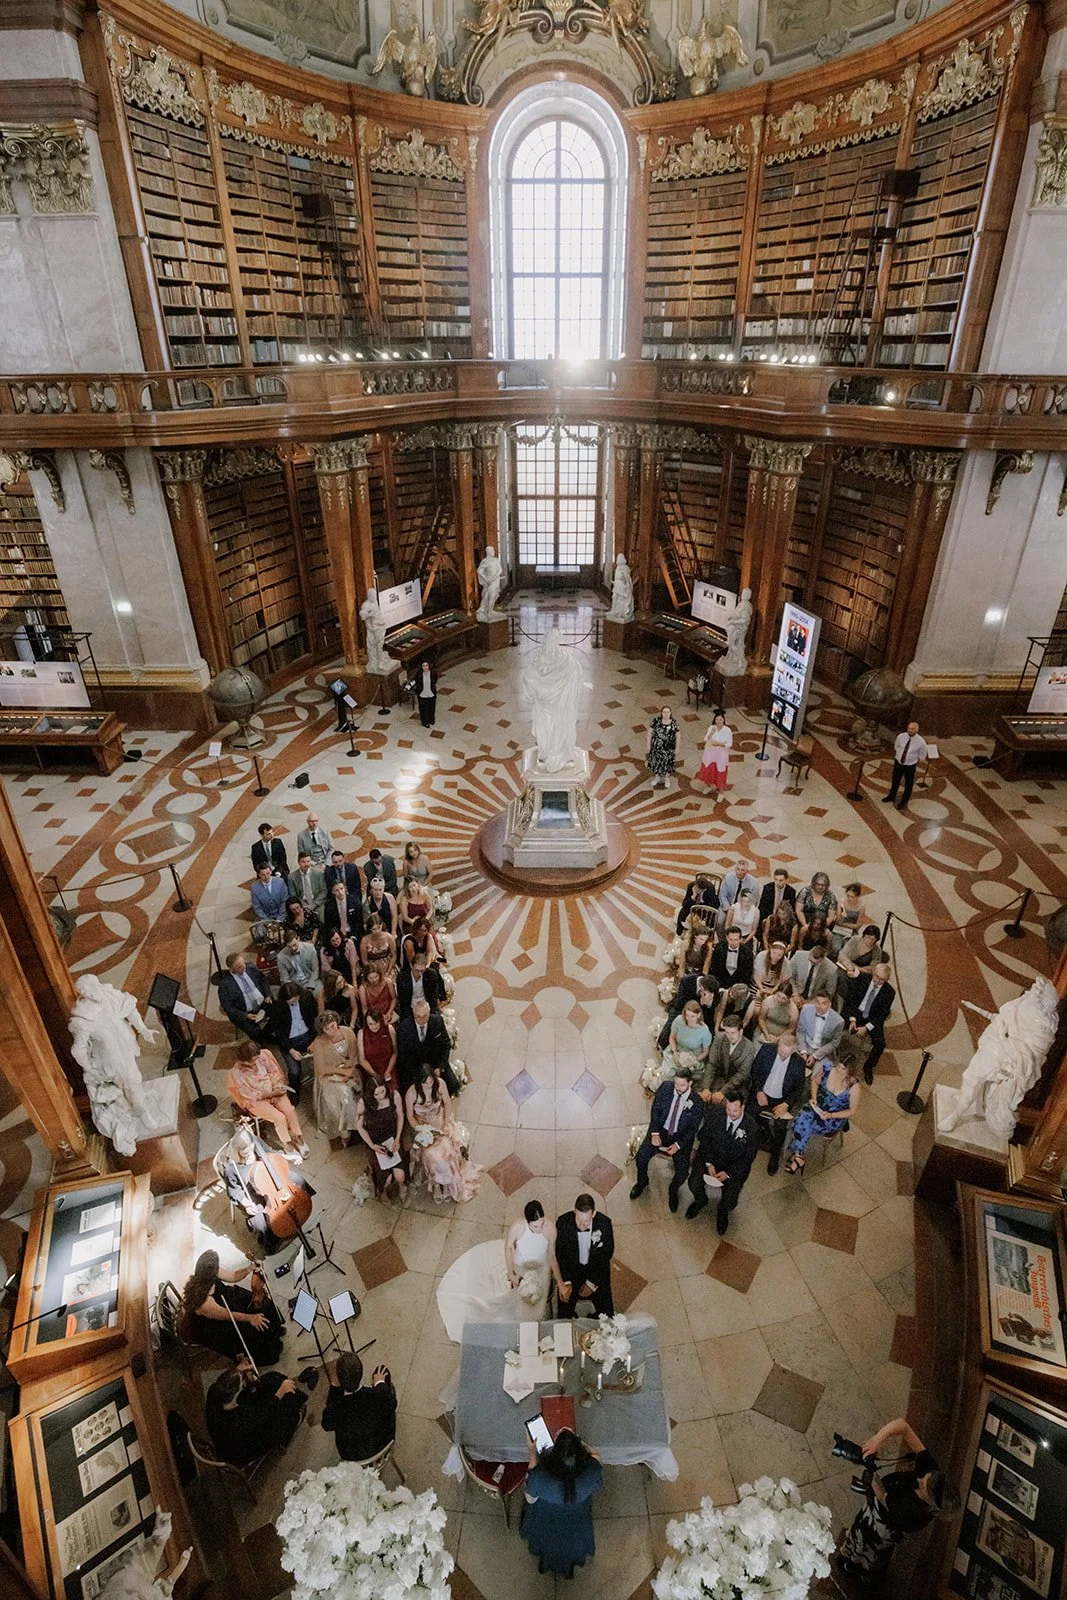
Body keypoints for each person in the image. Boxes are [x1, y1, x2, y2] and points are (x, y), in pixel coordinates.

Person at [837, 1417, 953, 1584]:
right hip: (885, 1507)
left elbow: (883, 1497)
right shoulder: (931, 1472)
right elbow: (903, 1426)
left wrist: (871, 1476)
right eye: (929, 1475)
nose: (922, 1477)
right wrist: (877, 1440)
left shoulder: (909, 1511)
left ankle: (857, 1566)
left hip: (882, 1522)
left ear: (929, 1499)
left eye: (924, 1483)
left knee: (864, 1542)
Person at [219, 1124, 314, 1255]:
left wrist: (289, 1157)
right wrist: (246, 1204)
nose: (250, 1155)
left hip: (271, 1175)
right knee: (260, 1223)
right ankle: (272, 1242)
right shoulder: (231, 1168)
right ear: (237, 1151)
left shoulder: (255, 1141)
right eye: (245, 1153)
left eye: (252, 1149)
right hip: (254, 1192)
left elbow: (271, 1153)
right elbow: (234, 1191)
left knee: (299, 1181)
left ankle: (297, 1214)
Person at [521, 1429, 603, 1579]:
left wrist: (532, 1454)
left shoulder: (540, 1478)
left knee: (546, 1538)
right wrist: (576, 1441)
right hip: (577, 1517)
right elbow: (597, 1456)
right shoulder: (591, 1474)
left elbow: (530, 1498)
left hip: (547, 1518)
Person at [179, 1249, 283, 1365]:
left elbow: (233, 1276)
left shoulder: (211, 1271)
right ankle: (268, 1351)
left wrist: (250, 1268)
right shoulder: (204, 1302)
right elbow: (228, 1316)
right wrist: (251, 1318)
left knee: (264, 1304)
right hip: (215, 1324)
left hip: (225, 1300)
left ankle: (275, 1330)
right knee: (248, 1329)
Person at [207, 1358, 318, 1466]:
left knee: (269, 1378)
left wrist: (237, 1372)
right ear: (236, 1392)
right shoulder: (239, 1419)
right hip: (244, 1449)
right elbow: (266, 1412)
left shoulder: (215, 1391)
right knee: (285, 1407)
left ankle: (292, 1389)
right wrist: (281, 1391)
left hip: (235, 1434)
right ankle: (293, 1421)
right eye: (242, 1382)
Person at [630, 1067, 703, 1212]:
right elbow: (655, 1111)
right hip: (661, 1132)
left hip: (680, 1137)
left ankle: (673, 1190)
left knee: (682, 1173)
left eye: (682, 1085)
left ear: (690, 1083)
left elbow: (692, 1130)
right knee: (641, 1157)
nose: (677, 1088)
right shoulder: (665, 1088)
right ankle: (642, 1182)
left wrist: (678, 1145)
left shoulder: (697, 1103)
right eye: (676, 1084)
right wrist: (655, 1133)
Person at [685, 1091, 759, 1234]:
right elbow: (703, 1137)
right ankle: (700, 1200)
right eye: (728, 1109)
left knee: (731, 1201)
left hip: (733, 1166)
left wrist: (729, 1173)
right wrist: (709, 1163)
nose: (731, 1114)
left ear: (742, 1108)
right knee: (693, 1182)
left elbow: (749, 1157)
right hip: (711, 1157)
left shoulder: (751, 1127)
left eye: (735, 1111)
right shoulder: (715, 1114)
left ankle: (723, 1211)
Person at [405, 1066, 480, 1202]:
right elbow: (410, 1116)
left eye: (430, 1082)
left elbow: (447, 1103)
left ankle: (447, 1184)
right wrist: (421, 1130)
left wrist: (446, 1123)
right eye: (425, 1083)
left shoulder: (440, 1084)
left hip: (440, 1123)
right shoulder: (411, 1093)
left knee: (445, 1155)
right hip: (423, 1127)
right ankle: (437, 1184)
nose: (428, 1085)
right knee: (431, 1156)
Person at [228, 1041, 309, 1159]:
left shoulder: (264, 1055)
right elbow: (248, 1094)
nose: (255, 1062)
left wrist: (276, 1088)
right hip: (257, 1100)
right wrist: (269, 1094)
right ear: (244, 1059)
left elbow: (275, 1073)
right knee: (280, 1118)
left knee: (289, 1111)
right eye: (252, 1060)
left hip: (273, 1090)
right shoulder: (236, 1072)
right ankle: (286, 1143)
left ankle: (297, 1136)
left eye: (257, 1058)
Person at [786, 1060, 861, 1173]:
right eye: (838, 1066)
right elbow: (815, 1081)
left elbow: (852, 1111)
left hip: (834, 1117)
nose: (839, 1070)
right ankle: (798, 1156)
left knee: (802, 1123)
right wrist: (815, 1098)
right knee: (803, 1117)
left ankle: (798, 1154)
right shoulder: (827, 1068)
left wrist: (831, 1115)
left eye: (843, 1069)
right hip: (818, 1106)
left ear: (850, 1071)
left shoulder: (854, 1087)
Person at [321, 1352, 397, 1462]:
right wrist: (380, 1383)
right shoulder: (376, 1395)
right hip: (381, 1446)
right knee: (389, 1390)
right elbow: (392, 1403)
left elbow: (326, 1424)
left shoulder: (335, 1408)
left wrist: (334, 1388)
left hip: (351, 1457)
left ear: (339, 1378)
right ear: (361, 1374)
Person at [749, 1032, 806, 1175]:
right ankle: (748, 1143)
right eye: (780, 1050)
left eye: (785, 1054)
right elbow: (754, 1071)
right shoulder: (767, 1050)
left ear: (793, 1051)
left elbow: (799, 1088)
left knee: (780, 1127)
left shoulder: (798, 1063)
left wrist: (786, 1103)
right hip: (762, 1093)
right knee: (749, 1115)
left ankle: (775, 1154)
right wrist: (759, 1091)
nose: (781, 1055)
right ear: (778, 1044)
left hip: (781, 1099)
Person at [554, 1194, 614, 1318]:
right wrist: (566, 1282)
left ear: (593, 1214)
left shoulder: (605, 1224)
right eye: (579, 1219)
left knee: (607, 1316)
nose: (582, 1225)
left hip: (595, 1270)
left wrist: (591, 1284)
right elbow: (560, 1255)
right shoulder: (562, 1223)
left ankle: (597, 1315)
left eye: (586, 1221)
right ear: (574, 1211)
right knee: (563, 1317)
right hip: (572, 1271)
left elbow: (606, 1255)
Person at [311, 1011, 362, 1142]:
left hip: (351, 1069)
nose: (331, 1030)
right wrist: (343, 1073)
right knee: (344, 1095)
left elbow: (356, 1054)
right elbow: (320, 1069)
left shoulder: (348, 1032)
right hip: (329, 1076)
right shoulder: (319, 1042)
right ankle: (346, 1131)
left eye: (333, 1026)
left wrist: (351, 1070)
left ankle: (360, 1124)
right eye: (327, 1029)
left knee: (358, 1089)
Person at [354, 1074, 407, 1200]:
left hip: (392, 1136)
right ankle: (382, 1189)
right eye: (376, 1094)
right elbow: (359, 1126)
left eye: (382, 1092)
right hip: (374, 1139)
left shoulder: (394, 1096)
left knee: (399, 1175)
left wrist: (398, 1138)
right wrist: (372, 1146)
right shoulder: (364, 1102)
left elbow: (400, 1116)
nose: (380, 1096)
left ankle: (402, 1186)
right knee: (386, 1178)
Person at [841, 962, 895, 1083]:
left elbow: (882, 1014)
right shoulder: (862, 979)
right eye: (876, 976)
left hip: (871, 1018)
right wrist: (852, 1019)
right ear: (873, 973)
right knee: (837, 1024)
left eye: (882, 980)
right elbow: (851, 999)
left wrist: (867, 1027)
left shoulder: (890, 992)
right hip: (856, 1013)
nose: (877, 981)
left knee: (880, 1044)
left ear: (887, 980)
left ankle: (868, 1067)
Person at [396, 997, 457, 1095]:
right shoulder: (404, 1028)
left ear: (429, 1013)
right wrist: (419, 1073)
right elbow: (403, 1055)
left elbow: (446, 1045)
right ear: (413, 1014)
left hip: (435, 1062)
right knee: (411, 1092)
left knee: (452, 1086)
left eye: (424, 1016)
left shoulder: (437, 1021)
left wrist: (440, 1067)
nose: (421, 1020)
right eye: (418, 1016)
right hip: (415, 1066)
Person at [268, 981, 317, 1095]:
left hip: (307, 1036)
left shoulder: (307, 997)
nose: (293, 1002)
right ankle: (294, 1094)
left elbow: (314, 1019)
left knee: (322, 1061)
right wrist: (291, 1050)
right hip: (290, 1041)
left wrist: (314, 1041)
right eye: (290, 1001)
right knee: (294, 1072)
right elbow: (279, 1032)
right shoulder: (277, 1006)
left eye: (295, 999)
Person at [700, 1014, 755, 1102]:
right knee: (702, 1097)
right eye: (727, 1032)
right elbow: (712, 1064)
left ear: (741, 1032)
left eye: (733, 1033)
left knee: (724, 1105)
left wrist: (722, 1092)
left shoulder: (749, 1048)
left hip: (736, 1085)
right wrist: (706, 1087)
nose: (729, 1036)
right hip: (718, 1079)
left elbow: (741, 1075)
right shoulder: (719, 1038)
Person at [218, 953, 271, 1043]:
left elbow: (262, 979)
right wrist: (245, 1015)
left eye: (244, 964)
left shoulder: (251, 968)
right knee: (255, 1033)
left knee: (279, 1015)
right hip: (244, 1013)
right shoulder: (225, 985)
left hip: (263, 1003)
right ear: (231, 969)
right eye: (239, 967)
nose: (244, 967)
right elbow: (228, 1008)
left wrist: (268, 994)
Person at [883, 720, 928, 811]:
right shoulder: (901, 736)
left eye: (913, 729)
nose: (910, 730)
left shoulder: (921, 742)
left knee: (908, 783)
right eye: (909, 728)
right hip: (899, 762)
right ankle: (891, 796)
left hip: (910, 765)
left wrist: (912, 758)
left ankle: (904, 801)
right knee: (895, 779)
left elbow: (922, 755)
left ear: (917, 730)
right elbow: (896, 746)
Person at [662, 999, 712, 1077]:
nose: (689, 1019)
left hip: (693, 1056)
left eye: (693, 1016)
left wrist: (693, 1060)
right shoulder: (679, 1020)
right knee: (668, 1072)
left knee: (683, 1076)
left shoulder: (704, 1031)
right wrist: (674, 1052)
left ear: (698, 1015)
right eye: (687, 1015)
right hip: (677, 1050)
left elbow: (705, 1052)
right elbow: (672, 1038)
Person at [796, 991, 844, 1067]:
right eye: (817, 1002)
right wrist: (803, 1051)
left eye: (824, 1003)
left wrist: (815, 1056)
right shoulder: (806, 1009)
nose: (820, 1006)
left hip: (822, 1051)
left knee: (820, 1073)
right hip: (805, 1045)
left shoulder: (838, 1021)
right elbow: (800, 1031)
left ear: (829, 1004)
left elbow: (834, 1042)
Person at [356, 1008, 397, 1088]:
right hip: (371, 1070)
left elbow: (395, 1052)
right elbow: (361, 1059)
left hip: (388, 1068)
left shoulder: (389, 1029)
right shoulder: (361, 1033)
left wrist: (388, 1071)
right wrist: (374, 1074)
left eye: (376, 1023)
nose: (374, 1026)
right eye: (370, 1024)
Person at [396, 951, 444, 1017]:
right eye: (417, 970)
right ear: (411, 966)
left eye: (422, 971)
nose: (419, 974)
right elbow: (403, 1000)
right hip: (410, 1007)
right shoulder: (402, 978)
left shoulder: (431, 974)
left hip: (427, 1005)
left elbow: (434, 995)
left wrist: (431, 1010)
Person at [709, 925, 754, 994]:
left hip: (738, 985)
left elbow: (747, 974)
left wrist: (737, 988)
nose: (733, 942)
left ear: (740, 939)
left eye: (736, 940)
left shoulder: (747, 953)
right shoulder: (719, 949)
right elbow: (714, 969)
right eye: (731, 939)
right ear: (727, 938)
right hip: (721, 983)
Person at [695, 710, 732, 794]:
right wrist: (711, 733)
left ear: (724, 720)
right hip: (710, 754)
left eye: (720, 719)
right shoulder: (712, 728)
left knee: (720, 771)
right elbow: (706, 739)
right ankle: (709, 786)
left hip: (721, 755)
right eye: (717, 720)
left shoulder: (727, 730)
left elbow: (729, 744)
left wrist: (719, 744)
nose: (718, 722)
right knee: (709, 770)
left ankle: (721, 792)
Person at [646, 705, 679, 790]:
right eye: (664, 712)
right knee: (656, 762)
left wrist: (677, 747)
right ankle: (657, 777)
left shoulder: (674, 723)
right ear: (661, 713)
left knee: (668, 763)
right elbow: (649, 732)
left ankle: (667, 778)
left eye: (667, 712)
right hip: (656, 748)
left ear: (670, 713)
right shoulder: (656, 721)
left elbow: (678, 735)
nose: (666, 714)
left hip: (669, 749)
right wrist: (648, 744)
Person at [830, 882, 868, 955]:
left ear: (858, 896)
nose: (849, 899)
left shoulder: (861, 907)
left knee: (847, 948)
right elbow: (837, 921)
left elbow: (858, 925)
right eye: (848, 896)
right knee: (836, 947)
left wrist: (844, 924)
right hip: (839, 929)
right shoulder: (842, 902)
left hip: (851, 930)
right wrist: (841, 912)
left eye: (852, 897)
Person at [323, 878, 363, 943]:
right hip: (337, 936)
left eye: (341, 889)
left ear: (345, 888)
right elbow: (328, 925)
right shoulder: (329, 906)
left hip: (353, 933)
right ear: (333, 892)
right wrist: (337, 936)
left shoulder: (355, 902)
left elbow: (359, 922)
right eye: (337, 890)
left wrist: (353, 936)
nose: (340, 892)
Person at [288, 851, 327, 918]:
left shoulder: (319, 873)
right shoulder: (292, 877)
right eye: (303, 862)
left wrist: (314, 904)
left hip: (317, 903)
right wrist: (304, 905)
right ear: (299, 862)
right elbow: (293, 895)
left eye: (308, 861)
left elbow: (323, 891)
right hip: (301, 904)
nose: (306, 864)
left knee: (322, 920)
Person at [358, 962, 397, 1028]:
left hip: (388, 1014)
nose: (374, 980)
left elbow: (394, 999)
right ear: (366, 978)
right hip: (373, 1018)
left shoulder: (388, 982)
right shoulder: (363, 988)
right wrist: (373, 1019)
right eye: (371, 978)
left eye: (376, 976)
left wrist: (390, 1012)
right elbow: (364, 1009)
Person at [415, 658, 438, 727]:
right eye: (423, 666)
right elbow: (417, 682)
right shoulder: (419, 674)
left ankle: (431, 719)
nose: (425, 667)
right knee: (423, 709)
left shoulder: (433, 673)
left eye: (426, 665)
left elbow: (435, 680)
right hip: (422, 694)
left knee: (431, 708)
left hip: (431, 694)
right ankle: (425, 722)